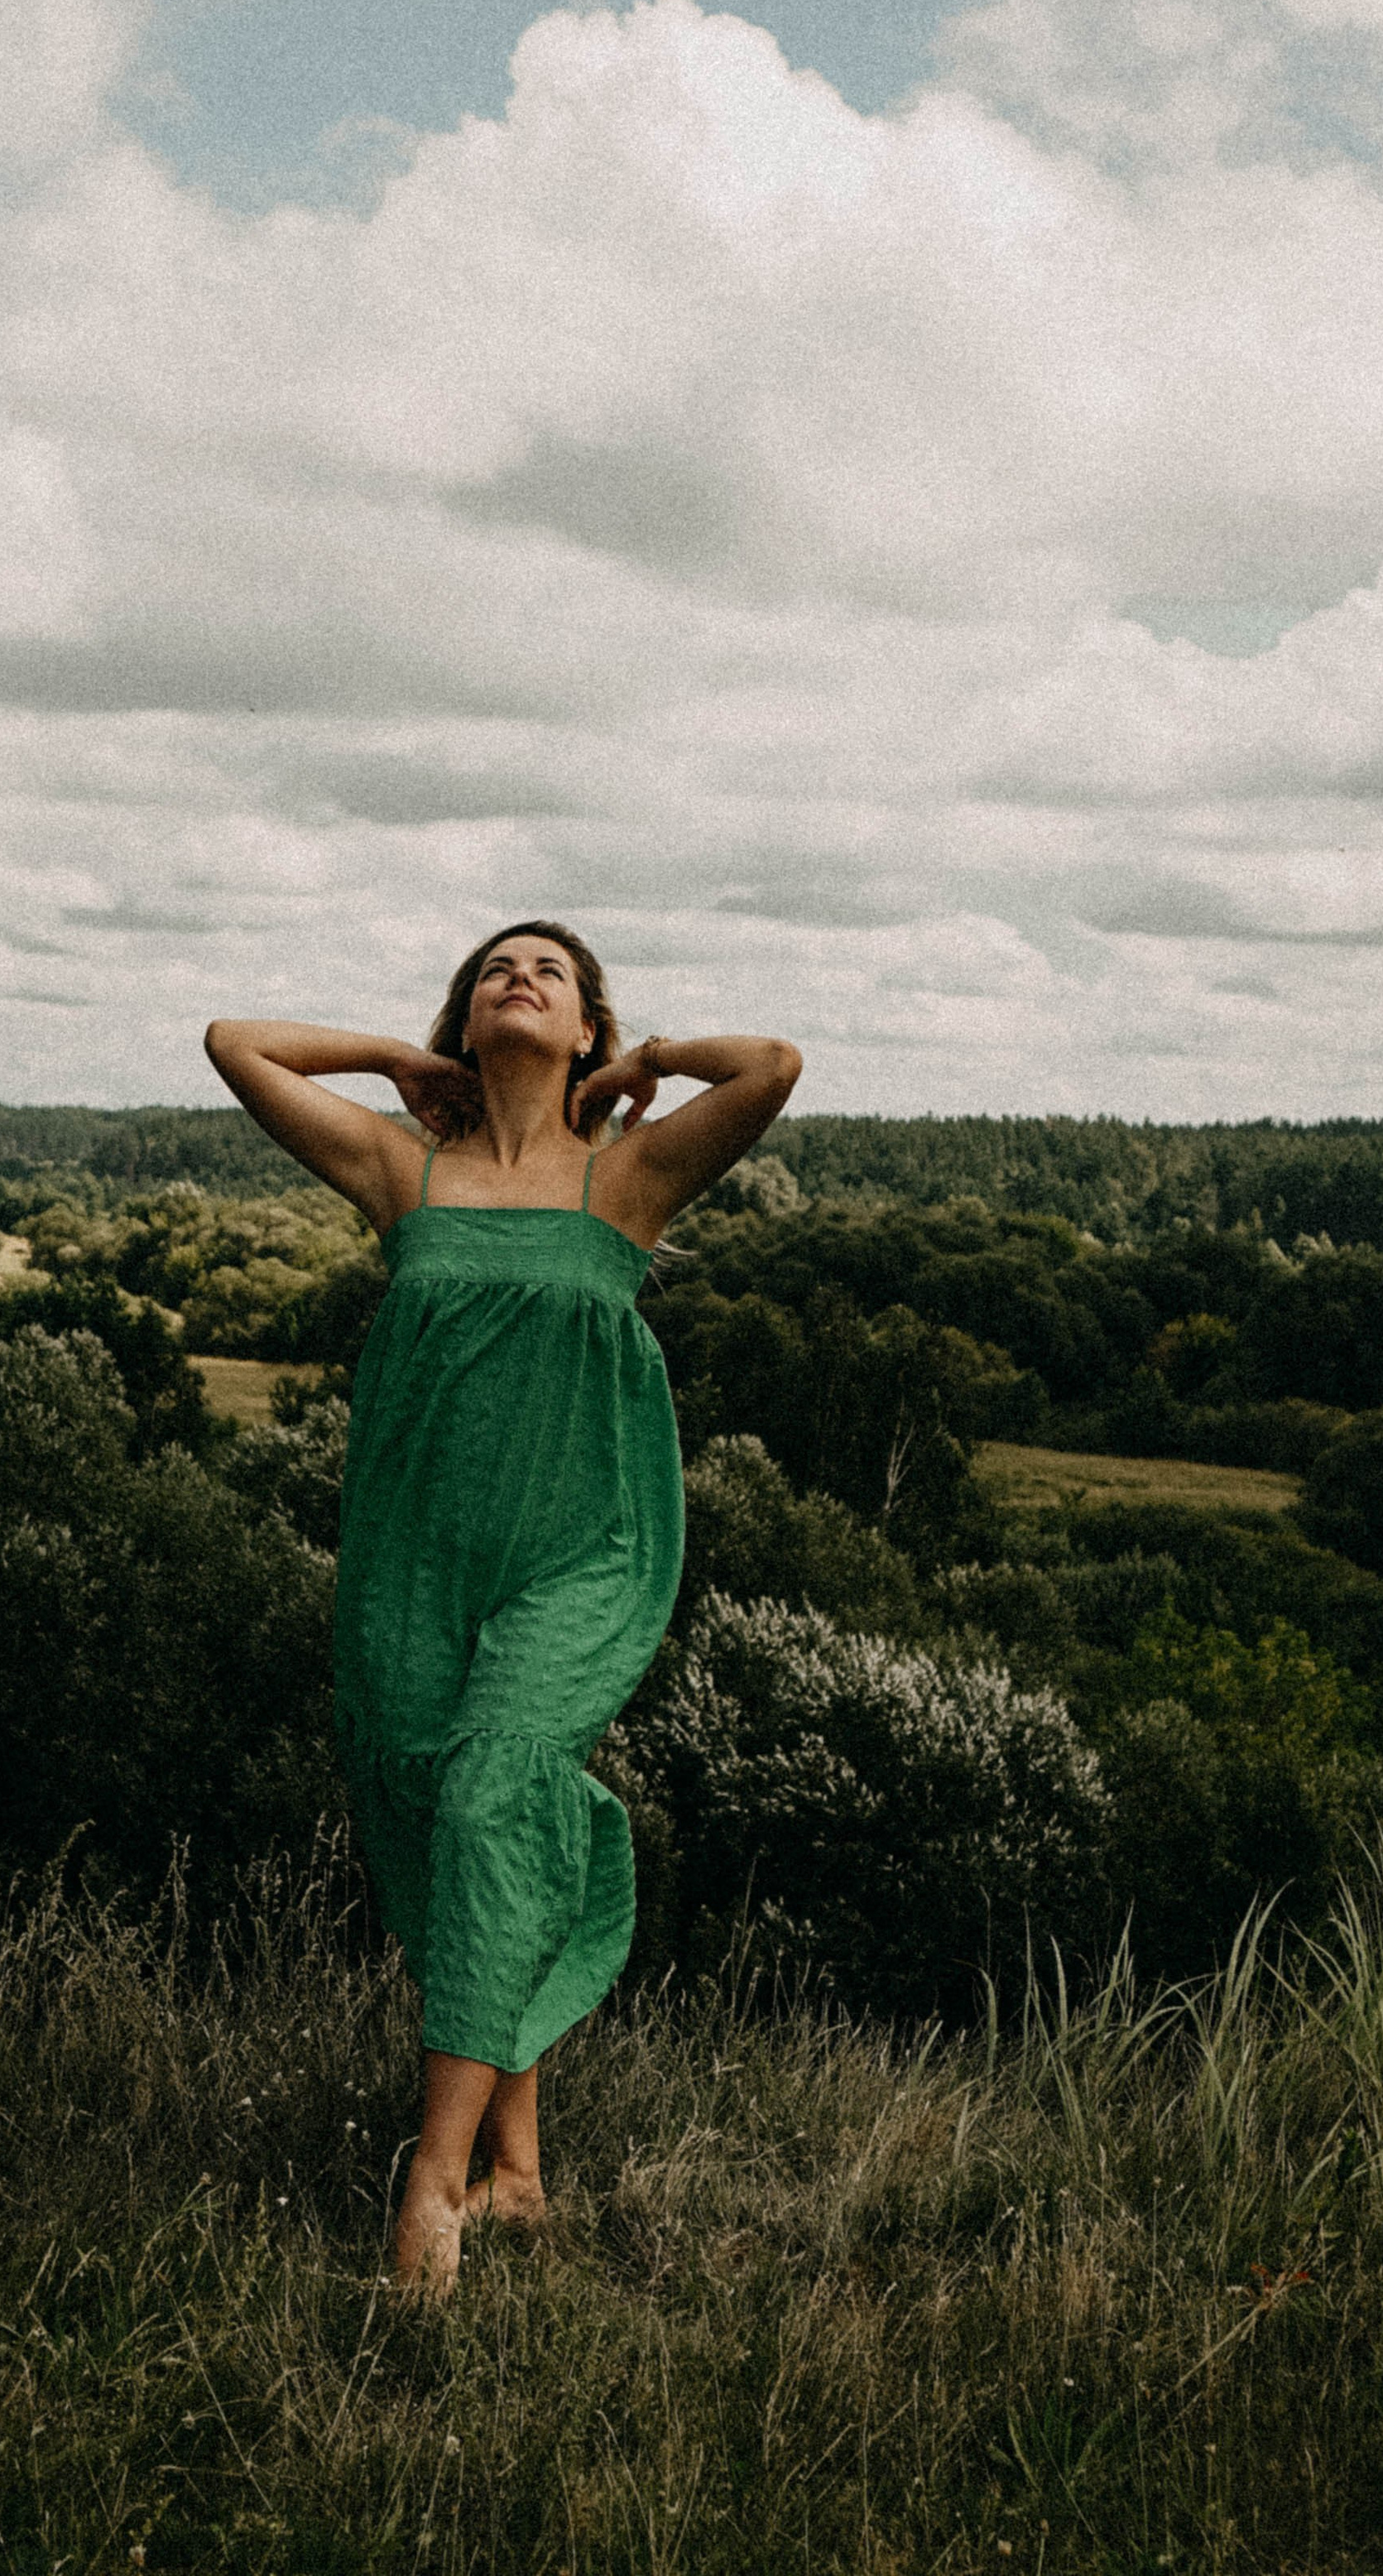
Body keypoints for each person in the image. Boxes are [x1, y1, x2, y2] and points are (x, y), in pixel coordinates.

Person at [204, 920, 802, 2294]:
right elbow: (234, 1044)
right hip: (413, 1556)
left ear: (585, 1028)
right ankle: (522, 2177)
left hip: (582, 1552)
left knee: (495, 1791)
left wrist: (648, 1061)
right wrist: (397, 1063)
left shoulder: (627, 1175)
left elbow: (770, 1066)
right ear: (466, 1024)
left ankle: (435, 2182)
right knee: (437, 1814)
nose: (518, 980)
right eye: (493, 972)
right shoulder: (401, 1167)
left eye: (551, 975)